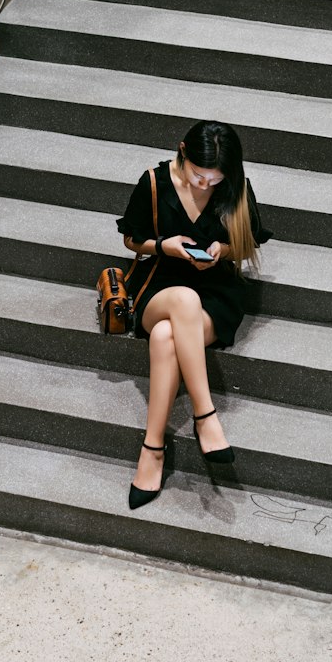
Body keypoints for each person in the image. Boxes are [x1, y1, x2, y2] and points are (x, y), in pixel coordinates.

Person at [115, 120, 272, 511]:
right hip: (160, 286)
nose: (205, 186)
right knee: (182, 301)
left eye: (214, 181)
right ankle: (206, 417)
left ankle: (152, 449)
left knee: (165, 338)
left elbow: (248, 242)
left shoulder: (235, 185)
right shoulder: (154, 182)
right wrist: (164, 246)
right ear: (182, 151)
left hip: (216, 292)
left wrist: (223, 248)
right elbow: (131, 238)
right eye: (199, 177)